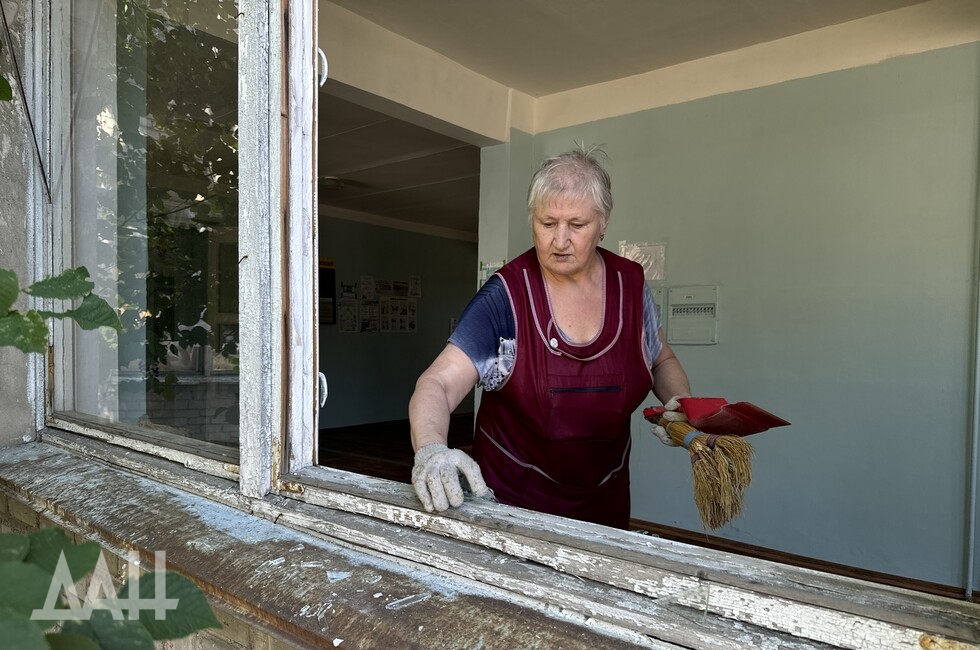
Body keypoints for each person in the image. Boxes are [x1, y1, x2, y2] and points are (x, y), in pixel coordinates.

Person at [408, 144, 692, 529]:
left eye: (577, 225)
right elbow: (437, 383)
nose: (560, 240)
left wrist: (682, 405)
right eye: (547, 223)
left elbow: (660, 360)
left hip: (604, 506)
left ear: (603, 223)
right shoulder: (505, 297)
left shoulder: (631, 286)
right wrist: (430, 450)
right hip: (512, 508)